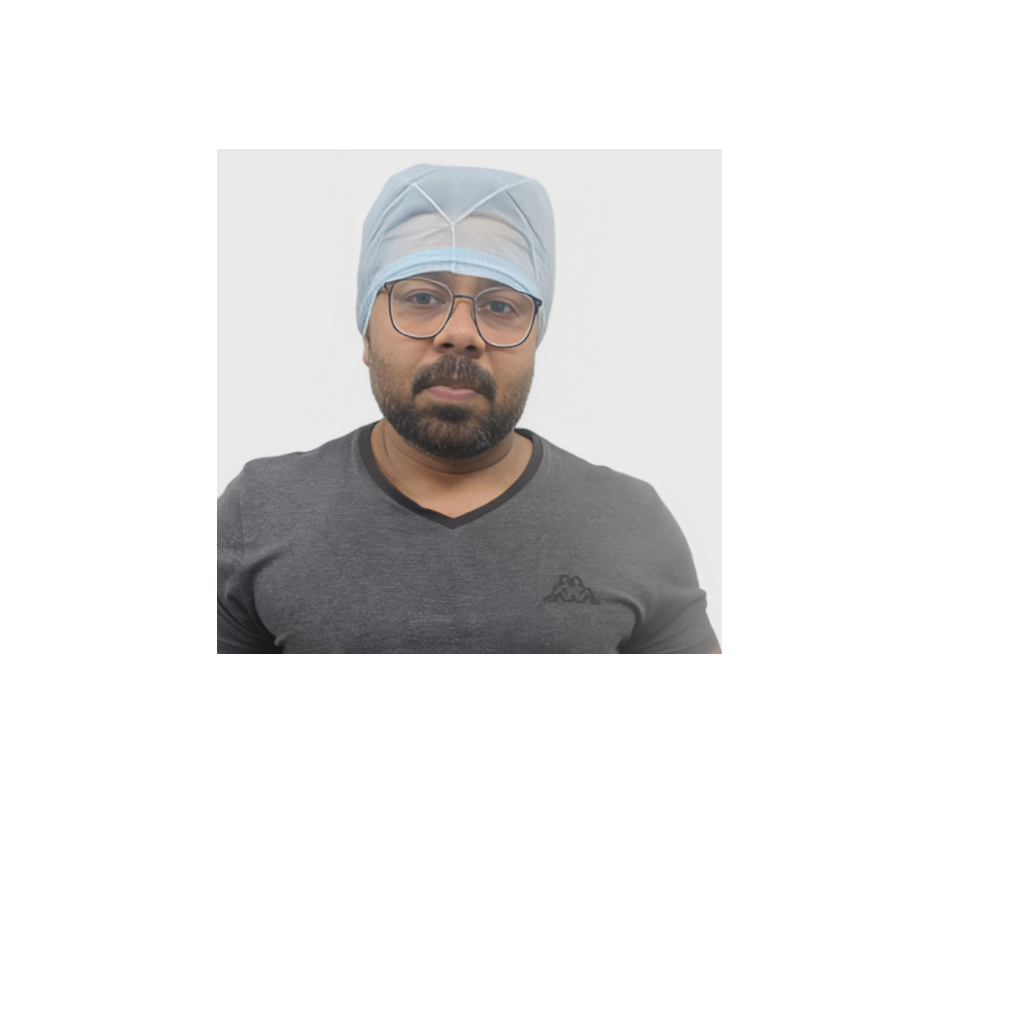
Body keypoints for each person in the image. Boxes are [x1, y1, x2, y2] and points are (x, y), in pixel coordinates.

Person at [218, 164, 720, 654]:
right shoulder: (258, 510)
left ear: (536, 340)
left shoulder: (632, 521)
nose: (460, 334)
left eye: (500, 306)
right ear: (366, 334)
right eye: (421, 297)